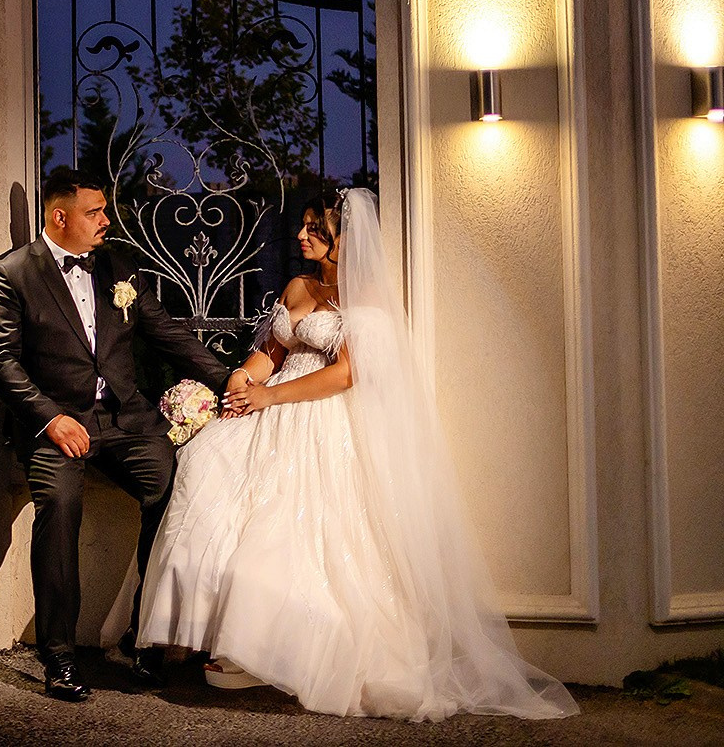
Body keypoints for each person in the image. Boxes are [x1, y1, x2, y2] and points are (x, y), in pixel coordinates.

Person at [131, 188, 577, 720]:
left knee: (297, 532)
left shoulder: (365, 301)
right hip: (269, 413)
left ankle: (281, 648)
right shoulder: (299, 285)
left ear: (344, 237)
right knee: (210, 479)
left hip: (322, 417)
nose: (301, 236)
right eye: (302, 227)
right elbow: (269, 352)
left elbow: (347, 373)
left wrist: (271, 394)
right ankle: (223, 637)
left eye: (314, 228)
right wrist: (241, 384)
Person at [0, 167, 250, 702]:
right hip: (56, 425)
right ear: (60, 217)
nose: (107, 221)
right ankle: (58, 656)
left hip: (127, 421)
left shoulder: (119, 266)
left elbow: (166, 333)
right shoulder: (11, 274)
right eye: (94, 212)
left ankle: (144, 638)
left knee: (174, 490)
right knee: (58, 506)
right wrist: (51, 419)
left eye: (104, 211)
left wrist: (229, 377)